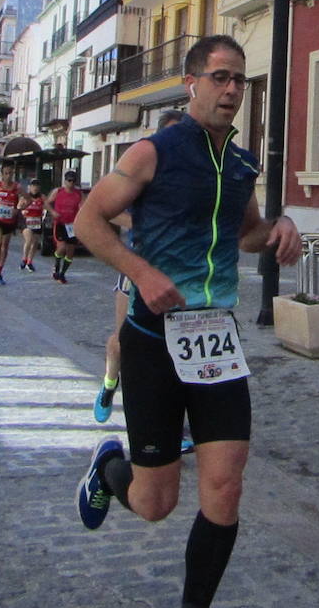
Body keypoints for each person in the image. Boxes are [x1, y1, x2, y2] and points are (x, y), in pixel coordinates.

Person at [73, 35, 302, 608]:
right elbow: (88, 221)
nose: (231, 91)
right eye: (221, 77)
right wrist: (142, 275)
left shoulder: (243, 163)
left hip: (215, 343)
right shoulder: (152, 152)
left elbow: (244, 233)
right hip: (153, 342)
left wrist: (278, 228)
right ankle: (110, 469)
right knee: (156, 504)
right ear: (192, 82)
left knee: (226, 487)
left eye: (240, 81)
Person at [95, 109, 187, 423]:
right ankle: (109, 383)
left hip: (177, 270)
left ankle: (170, 423)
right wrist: (141, 223)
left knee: (176, 346)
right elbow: (104, 212)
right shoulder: (141, 166)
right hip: (137, 267)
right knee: (123, 342)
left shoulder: (190, 173)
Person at [0, 165, 22, 284]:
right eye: (6, 173)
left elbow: (27, 199)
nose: (8, 176)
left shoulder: (17, 187)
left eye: (10, 173)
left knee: (5, 246)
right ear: (2, 174)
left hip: (9, 220)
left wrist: (18, 209)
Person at [48, 170, 83, 284]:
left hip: (72, 225)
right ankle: (56, 266)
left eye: (73, 181)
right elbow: (47, 203)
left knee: (70, 252)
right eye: (69, 181)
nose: (71, 183)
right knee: (62, 247)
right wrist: (52, 212)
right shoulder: (58, 191)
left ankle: (62, 274)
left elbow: (84, 206)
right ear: (65, 181)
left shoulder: (78, 194)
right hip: (60, 223)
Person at [18, 180, 44, 271]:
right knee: (28, 240)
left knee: (35, 243)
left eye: (37, 186)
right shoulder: (25, 197)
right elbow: (19, 207)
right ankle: (24, 259)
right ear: (30, 187)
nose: (35, 188)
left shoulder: (42, 197)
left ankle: (30, 262)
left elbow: (46, 206)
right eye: (33, 186)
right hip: (27, 221)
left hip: (37, 222)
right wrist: (22, 210)